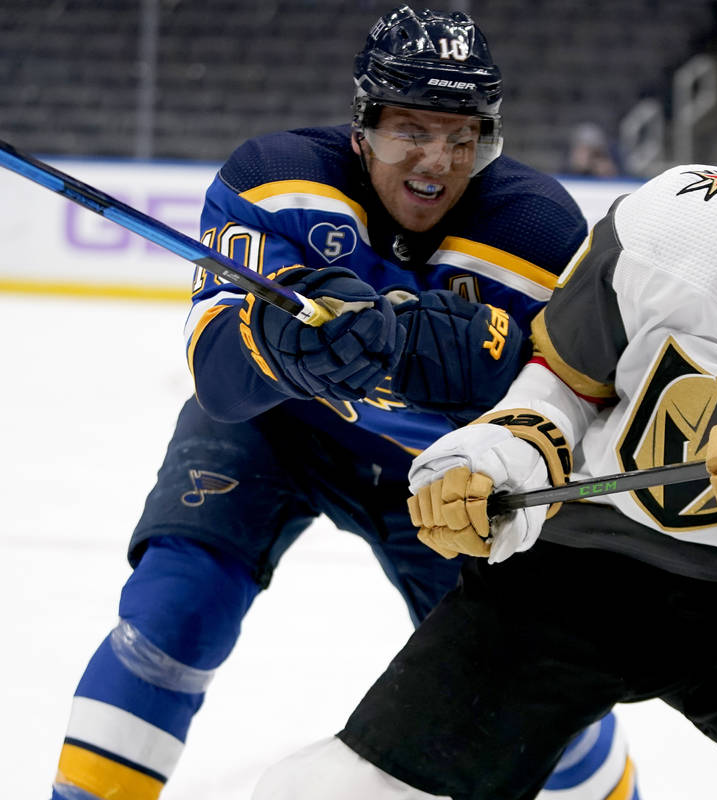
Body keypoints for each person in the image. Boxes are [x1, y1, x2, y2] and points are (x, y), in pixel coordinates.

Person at [252, 66, 717, 800]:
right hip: (575, 570)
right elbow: (565, 381)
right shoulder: (679, 221)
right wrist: (492, 460)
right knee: (327, 791)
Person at [49, 8, 643, 800]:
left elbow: (583, 408)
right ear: (361, 126)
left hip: (442, 471)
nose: (439, 160)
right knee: (171, 616)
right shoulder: (275, 182)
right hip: (279, 433)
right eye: (412, 131)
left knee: (532, 690)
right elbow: (221, 377)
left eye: (464, 135)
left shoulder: (539, 233)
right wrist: (278, 340)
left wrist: (488, 363)